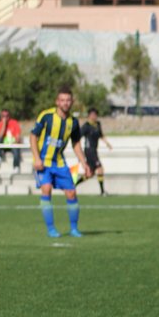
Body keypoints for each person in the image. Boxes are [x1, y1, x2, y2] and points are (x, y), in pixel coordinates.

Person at [30, 86, 91, 238]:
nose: (65, 103)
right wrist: (36, 158)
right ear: (57, 102)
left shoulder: (73, 122)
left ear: (72, 102)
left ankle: (74, 229)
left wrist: (84, 163)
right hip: (43, 161)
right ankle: (51, 229)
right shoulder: (46, 116)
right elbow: (33, 136)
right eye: (62, 100)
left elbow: (76, 144)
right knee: (46, 189)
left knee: (71, 193)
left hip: (59, 162)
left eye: (68, 100)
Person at [79, 108, 112, 196]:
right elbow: (78, 137)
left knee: (90, 174)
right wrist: (79, 152)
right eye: (92, 115)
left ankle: (72, 185)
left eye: (95, 115)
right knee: (100, 169)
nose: (94, 116)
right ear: (89, 116)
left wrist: (107, 143)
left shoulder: (97, 124)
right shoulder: (86, 126)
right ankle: (102, 191)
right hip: (89, 151)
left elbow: (101, 135)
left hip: (94, 150)